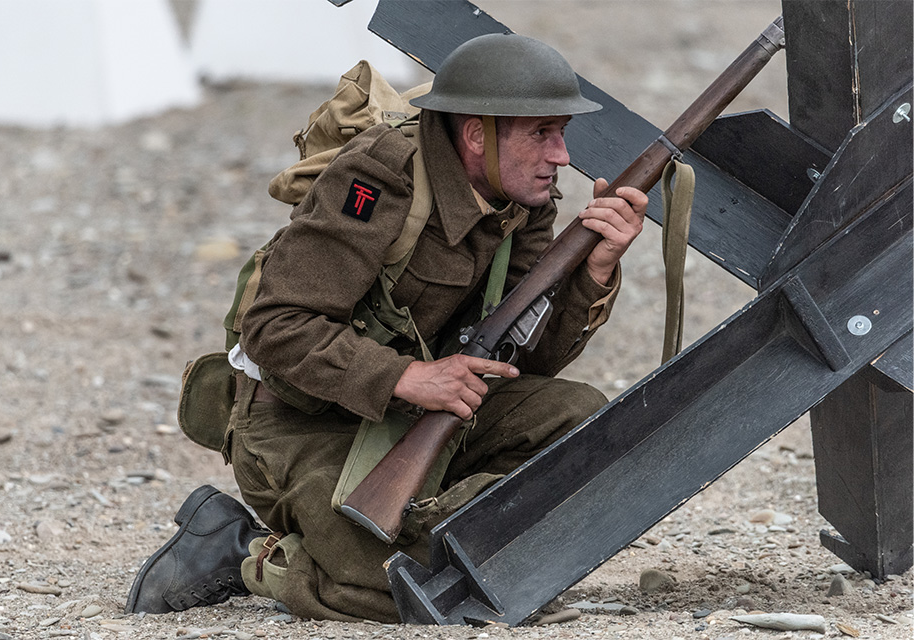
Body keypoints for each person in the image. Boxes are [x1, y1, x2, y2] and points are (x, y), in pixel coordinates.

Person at [126, 32, 648, 622]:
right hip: (303, 422)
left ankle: (441, 526)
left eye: (562, 133)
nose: (560, 156)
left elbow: (522, 360)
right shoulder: (379, 179)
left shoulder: (524, 202)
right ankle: (245, 551)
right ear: (477, 135)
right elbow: (275, 326)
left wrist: (593, 272)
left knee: (584, 424)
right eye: (541, 134)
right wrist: (407, 377)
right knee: (398, 587)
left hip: (426, 413)